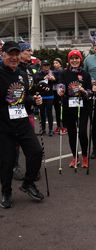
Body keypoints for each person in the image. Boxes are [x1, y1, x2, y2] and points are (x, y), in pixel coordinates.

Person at [0, 41, 44, 209]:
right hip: (4, 125)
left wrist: (34, 100)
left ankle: (28, 183)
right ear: (3, 54)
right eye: (10, 54)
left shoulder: (22, 74)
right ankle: (6, 191)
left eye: (16, 54)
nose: (14, 57)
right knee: (7, 161)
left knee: (36, 152)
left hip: (22, 121)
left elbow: (24, 97)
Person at [57, 50, 91, 168]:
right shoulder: (64, 73)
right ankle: (75, 157)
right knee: (71, 133)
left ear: (80, 60)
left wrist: (84, 91)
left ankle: (85, 157)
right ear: (69, 60)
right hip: (68, 106)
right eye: (72, 58)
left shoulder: (85, 74)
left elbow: (90, 92)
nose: (74, 60)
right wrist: (60, 90)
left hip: (82, 107)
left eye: (77, 58)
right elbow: (60, 84)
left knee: (82, 132)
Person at [13, 40, 37, 181]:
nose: (30, 53)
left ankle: (32, 168)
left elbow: (31, 87)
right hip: (16, 109)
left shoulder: (29, 68)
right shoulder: (15, 69)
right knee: (15, 141)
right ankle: (14, 166)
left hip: (29, 110)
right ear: (21, 53)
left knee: (30, 141)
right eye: (27, 50)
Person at [34, 60, 56, 136]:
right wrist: (44, 77)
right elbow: (36, 80)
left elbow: (58, 81)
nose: (46, 67)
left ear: (49, 66)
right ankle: (43, 129)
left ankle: (50, 129)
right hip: (41, 96)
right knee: (42, 113)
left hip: (50, 96)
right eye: (44, 65)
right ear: (42, 66)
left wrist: (53, 79)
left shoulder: (52, 73)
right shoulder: (38, 73)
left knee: (49, 112)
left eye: (47, 65)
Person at [52, 57, 67, 135]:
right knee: (57, 110)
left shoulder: (62, 71)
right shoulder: (53, 71)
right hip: (54, 93)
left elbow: (59, 80)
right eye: (54, 63)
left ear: (60, 64)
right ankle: (58, 126)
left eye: (57, 63)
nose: (55, 64)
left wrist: (53, 79)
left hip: (61, 93)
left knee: (62, 110)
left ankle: (64, 126)